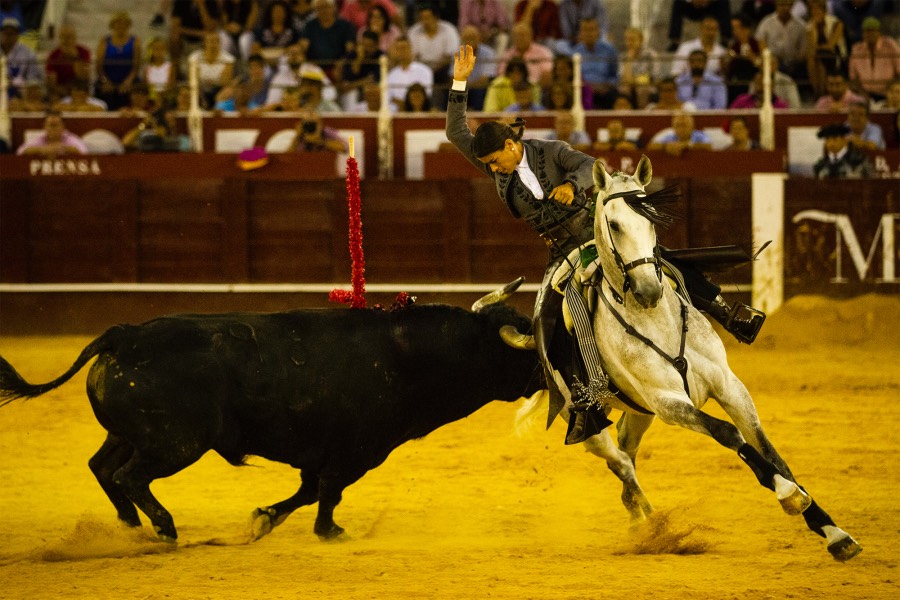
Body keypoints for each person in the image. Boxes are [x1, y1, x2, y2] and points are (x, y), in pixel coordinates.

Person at [447, 44, 767, 443]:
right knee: (546, 321)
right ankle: (585, 397)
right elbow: (455, 132)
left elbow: (587, 167)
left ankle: (727, 312)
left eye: (496, 161)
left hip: (596, 237)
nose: (493, 170)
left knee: (658, 261)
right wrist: (460, 81)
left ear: (511, 147)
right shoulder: (498, 167)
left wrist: (570, 185)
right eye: (491, 165)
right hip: (562, 253)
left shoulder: (551, 151)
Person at [558, 18, 618, 109]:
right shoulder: (574, 53)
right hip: (582, 90)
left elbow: (615, 75)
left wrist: (606, 85)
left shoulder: (609, 51)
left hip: (604, 90)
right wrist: (587, 87)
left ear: (598, 32)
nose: (588, 33)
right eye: (585, 30)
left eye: (591, 30)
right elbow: (572, 76)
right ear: (580, 33)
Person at [96, 11, 141, 111]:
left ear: (128, 24)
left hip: (128, 80)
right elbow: (99, 65)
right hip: (108, 79)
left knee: (133, 90)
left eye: (124, 23)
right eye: (118, 22)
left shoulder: (134, 41)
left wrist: (128, 81)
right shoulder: (105, 41)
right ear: (113, 24)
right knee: (104, 90)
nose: (121, 25)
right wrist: (105, 80)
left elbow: (136, 66)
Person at [847, 17, 900, 102]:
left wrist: (890, 90)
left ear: (879, 32)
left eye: (873, 31)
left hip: (888, 94)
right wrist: (864, 95)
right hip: (864, 96)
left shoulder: (891, 45)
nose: (870, 34)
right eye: (866, 31)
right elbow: (853, 79)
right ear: (862, 33)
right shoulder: (857, 49)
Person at [300, 0, 357, 78]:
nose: (323, 11)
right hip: (314, 68)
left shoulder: (346, 26)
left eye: (325, 7)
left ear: (333, 8)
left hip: (338, 68)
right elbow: (303, 47)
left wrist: (342, 62)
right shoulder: (310, 26)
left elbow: (350, 50)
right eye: (319, 8)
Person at [753, 0, 806, 80]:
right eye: (781, 5)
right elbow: (761, 42)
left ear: (792, 5)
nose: (783, 8)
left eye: (786, 5)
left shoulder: (800, 25)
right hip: (772, 62)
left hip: (793, 64)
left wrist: (795, 62)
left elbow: (803, 49)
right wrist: (770, 59)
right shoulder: (766, 22)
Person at [805, 0, 846, 99]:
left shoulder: (836, 23)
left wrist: (817, 48)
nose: (815, 14)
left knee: (820, 57)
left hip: (836, 56)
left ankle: (821, 94)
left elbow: (830, 46)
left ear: (824, 11)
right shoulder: (810, 26)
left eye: (818, 11)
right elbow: (812, 48)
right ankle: (819, 92)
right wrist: (814, 28)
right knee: (813, 59)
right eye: (813, 12)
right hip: (819, 57)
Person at [496, 21, 554, 89]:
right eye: (516, 36)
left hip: (537, 88)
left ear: (531, 36)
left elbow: (548, 73)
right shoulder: (507, 54)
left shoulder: (543, 52)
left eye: (522, 35)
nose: (519, 38)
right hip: (512, 89)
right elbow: (501, 74)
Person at [336, 29, 383, 111]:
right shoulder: (352, 55)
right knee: (352, 94)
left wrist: (352, 85)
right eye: (364, 45)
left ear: (376, 46)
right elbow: (347, 79)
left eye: (369, 46)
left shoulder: (381, 57)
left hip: (372, 91)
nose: (366, 49)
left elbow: (374, 80)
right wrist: (359, 59)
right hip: (354, 91)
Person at [188, 30, 236, 108]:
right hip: (200, 89)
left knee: (229, 91)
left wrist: (212, 83)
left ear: (220, 43)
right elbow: (193, 78)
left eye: (216, 42)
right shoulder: (195, 57)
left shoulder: (228, 59)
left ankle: (219, 109)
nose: (213, 45)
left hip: (219, 89)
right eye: (210, 41)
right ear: (205, 43)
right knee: (191, 89)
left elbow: (226, 80)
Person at [45, 25, 92, 102]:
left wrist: (74, 58)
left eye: (69, 37)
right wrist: (64, 91)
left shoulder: (84, 52)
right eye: (63, 37)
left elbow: (84, 76)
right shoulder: (53, 55)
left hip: (80, 90)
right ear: (59, 38)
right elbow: (51, 82)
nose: (66, 40)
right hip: (61, 91)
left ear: (75, 38)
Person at [386, 36, 433, 112]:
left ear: (411, 49)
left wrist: (404, 103)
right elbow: (388, 98)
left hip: (417, 112)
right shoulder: (392, 74)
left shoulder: (424, 71)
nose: (401, 51)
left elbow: (426, 95)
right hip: (396, 114)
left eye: (404, 48)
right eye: (398, 49)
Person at [618, 26, 659, 109]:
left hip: (648, 85)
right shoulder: (623, 56)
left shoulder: (651, 54)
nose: (630, 43)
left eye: (632, 39)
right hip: (629, 86)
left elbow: (653, 77)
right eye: (627, 40)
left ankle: (643, 116)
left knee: (641, 89)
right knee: (624, 89)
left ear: (641, 40)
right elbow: (622, 78)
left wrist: (634, 81)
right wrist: (629, 59)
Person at [667, 0, 733, 52]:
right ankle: (675, 41)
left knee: (724, 2)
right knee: (678, 3)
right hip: (693, 7)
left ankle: (725, 40)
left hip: (710, 7)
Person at [1, 17, 43, 98]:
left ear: (17, 35)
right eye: (5, 33)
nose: (7, 36)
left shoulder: (28, 53)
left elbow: (33, 80)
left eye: (11, 33)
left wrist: (14, 82)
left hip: (19, 95)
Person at [16, 111, 89, 156]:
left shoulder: (71, 138)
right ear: (44, 127)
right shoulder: (39, 139)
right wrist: (41, 150)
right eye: (51, 125)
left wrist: (63, 148)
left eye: (56, 125)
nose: (53, 128)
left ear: (63, 126)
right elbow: (20, 152)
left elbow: (84, 151)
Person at [251, 0, 301, 64]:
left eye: (280, 12)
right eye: (275, 11)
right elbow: (255, 48)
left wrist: (289, 51)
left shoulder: (293, 31)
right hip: (265, 63)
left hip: (286, 63)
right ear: (270, 13)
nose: (278, 14)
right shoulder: (261, 31)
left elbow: (298, 48)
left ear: (286, 13)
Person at [122, 108, 192, 152]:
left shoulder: (183, 140)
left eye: (172, 120)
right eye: (167, 121)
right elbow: (126, 142)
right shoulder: (147, 139)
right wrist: (143, 125)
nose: (171, 124)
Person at [647, 111, 713, 156]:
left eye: (684, 125)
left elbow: (709, 146)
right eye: (678, 125)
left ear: (692, 126)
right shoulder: (670, 137)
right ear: (673, 127)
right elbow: (650, 146)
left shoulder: (699, 135)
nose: (681, 128)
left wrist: (687, 145)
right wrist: (665, 146)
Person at [144, 36, 176, 105]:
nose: (158, 51)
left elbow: (171, 86)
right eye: (156, 48)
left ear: (165, 50)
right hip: (151, 100)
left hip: (166, 100)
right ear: (151, 50)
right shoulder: (147, 68)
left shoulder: (169, 66)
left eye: (161, 48)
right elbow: (146, 86)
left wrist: (161, 96)